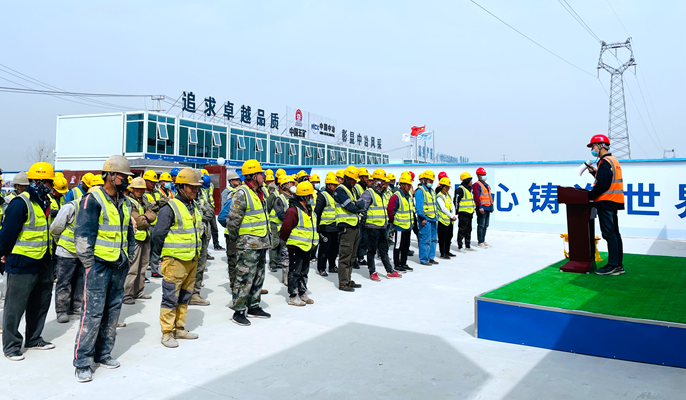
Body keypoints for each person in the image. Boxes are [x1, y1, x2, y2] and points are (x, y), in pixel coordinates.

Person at [73, 155, 135, 382]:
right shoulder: (93, 199)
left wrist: (129, 257)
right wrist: (89, 265)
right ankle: (82, 362)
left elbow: (129, 233)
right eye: (122, 176)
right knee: (92, 314)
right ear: (110, 175)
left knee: (112, 312)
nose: (126, 180)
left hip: (119, 265)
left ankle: (104, 354)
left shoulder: (125, 202)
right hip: (98, 266)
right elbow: (83, 236)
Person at [0, 162, 56, 362]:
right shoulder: (20, 203)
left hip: (43, 262)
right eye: (49, 182)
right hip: (22, 263)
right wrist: (2, 254)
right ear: (38, 181)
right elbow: (7, 233)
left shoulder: (45, 202)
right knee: (15, 307)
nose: (52, 186)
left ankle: (33, 338)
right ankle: (11, 346)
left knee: (40, 303)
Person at [150, 168, 203, 348]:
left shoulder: (193, 206)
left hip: (191, 259)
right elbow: (158, 234)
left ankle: (179, 328)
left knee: (184, 296)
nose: (194, 190)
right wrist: (162, 255)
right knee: (170, 297)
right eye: (190, 187)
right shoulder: (170, 208)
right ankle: (167, 332)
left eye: (196, 187)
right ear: (180, 187)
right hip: (174, 261)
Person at [225, 160, 271, 326]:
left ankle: (253, 306)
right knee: (244, 277)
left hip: (261, 242)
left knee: (258, 276)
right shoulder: (242, 193)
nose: (263, 176)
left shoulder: (259, 192)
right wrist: (237, 240)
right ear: (253, 176)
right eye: (260, 174)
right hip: (247, 245)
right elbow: (233, 221)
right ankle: (238, 310)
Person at [586, 134, 625, 276]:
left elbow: (603, 184)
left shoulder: (604, 162)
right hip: (614, 201)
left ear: (600, 146)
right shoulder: (613, 161)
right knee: (615, 234)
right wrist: (595, 174)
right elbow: (607, 180)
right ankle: (618, 265)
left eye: (593, 146)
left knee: (609, 234)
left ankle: (613, 265)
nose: (593, 150)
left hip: (606, 202)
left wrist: (590, 195)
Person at [279, 181, 318, 306]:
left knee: (304, 272)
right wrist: (288, 241)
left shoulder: (308, 210)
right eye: (310, 195)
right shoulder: (293, 210)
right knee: (295, 272)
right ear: (305, 197)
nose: (312, 197)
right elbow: (285, 228)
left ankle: (302, 292)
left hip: (307, 246)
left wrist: (313, 242)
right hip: (296, 246)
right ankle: (293, 295)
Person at [361, 169, 402, 281]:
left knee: (384, 250)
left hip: (383, 226)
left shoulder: (383, 194)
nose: (384, 184)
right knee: (371, 250)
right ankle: (372, 272)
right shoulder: (369, 193)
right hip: (372, 227)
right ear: (375, 181)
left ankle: (390, 271)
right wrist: (365, 222)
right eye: (382, 181)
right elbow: (362, 209)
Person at [50, 192, 85, 323]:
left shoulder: (94, 208)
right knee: (64, 282)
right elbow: (55, 228)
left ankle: (76, 306)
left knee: (80, 281)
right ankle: (62, 310)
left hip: (82, 252)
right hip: (66, 251)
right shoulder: (71, 207)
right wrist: (58, 240)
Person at [122, 177, 156, 305]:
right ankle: (127, 294)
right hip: (135, 238)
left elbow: (153, 215)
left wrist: (145, 217)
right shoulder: (128, 202)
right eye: (137, 189)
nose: (140, 191)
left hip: (145, 237)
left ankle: (139, 291)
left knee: (143, 266)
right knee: (133, 267)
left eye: (141, 189)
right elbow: (139, 222)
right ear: (132, 189)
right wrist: (147, 218)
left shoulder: (143, 200)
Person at [333, 166, 366, 292]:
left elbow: (361, 204)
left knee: (352, 256)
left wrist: (356, 204)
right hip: (346, 226)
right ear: (347, 178)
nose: (355, 182)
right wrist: (356, 205)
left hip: (354, 225)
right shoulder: (340, 190)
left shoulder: (351, 190)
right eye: (353, 180)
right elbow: (351, 207)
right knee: (345, 256)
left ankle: (348, 279)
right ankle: (343, 282)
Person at [189, 174, 215, 306]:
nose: (196, 189)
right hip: (190, 237)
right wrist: (201, 213)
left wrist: (200, 213)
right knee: (189, 267)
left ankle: (195, 293)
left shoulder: (203, 194)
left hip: (203, 234)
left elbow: (210, 212)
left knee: (200, 266)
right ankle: (186, 293)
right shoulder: (182, 200)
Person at [268, 174, 294, 280]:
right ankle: (275, 266)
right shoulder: (279, 199)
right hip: (280, 226)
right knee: (279, 247)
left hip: (291, 228)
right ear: (284, 186)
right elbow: (280, 214)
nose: (292, 185)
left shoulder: (294, 197)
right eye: (290, 183)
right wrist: (292, 220)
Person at [218, 170, 242, 285]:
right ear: (230, 181)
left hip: (241, 234)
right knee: (233, 261)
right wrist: (230, 225)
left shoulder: (239, 192)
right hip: (231, 233)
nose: (238, 181)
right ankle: (234, 284)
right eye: (235, 180)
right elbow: (223, 215)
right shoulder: (229, 193)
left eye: (238, 179)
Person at [387, 172, 414, 272]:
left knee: (405, 246)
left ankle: (404, 263)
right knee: (398, 245)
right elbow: (390, 211)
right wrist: (394, 221)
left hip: (408, 225)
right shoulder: (396, 196)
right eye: (407, 185)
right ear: (402, 185)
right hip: (399, 226)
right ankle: (397, 264)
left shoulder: (409, 196)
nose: (409, 187)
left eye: (410, 185)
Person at [314, 172, 339, 276]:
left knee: (334, 249)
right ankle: (321, 268)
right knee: (324, 249)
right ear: (328, 185)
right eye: (334, 185)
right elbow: (317, 212)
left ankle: (332, 266)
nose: (336, 187)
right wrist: (317, 227)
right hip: (325, 227)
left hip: (335, 226)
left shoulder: (335, 195)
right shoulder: (323, 196)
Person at [415, 171, 439, 265]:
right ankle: (424, 259)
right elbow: (419, 206)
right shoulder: (420, 191)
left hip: (433, 218)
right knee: (425, 240)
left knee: (433, 240)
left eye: (432, 181)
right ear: (424, 180)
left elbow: (434, 204)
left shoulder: (432, 191)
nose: (431, 182)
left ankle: (431, 257)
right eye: (429, 180)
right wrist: (422, 218)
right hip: (425, 219)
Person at [201, 169, 223, 251]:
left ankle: (216, 244)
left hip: (210, 208)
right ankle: (204, 250)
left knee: (214, 227)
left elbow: (210, 195)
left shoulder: (210, 185)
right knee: (205, 230)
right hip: (203, 210)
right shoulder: (199, 188)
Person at [436, 177, 457, 259]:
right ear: (442, 187)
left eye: (448, 187)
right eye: (446, 187)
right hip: (443, 220)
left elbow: (452, 205)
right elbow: (443, 208)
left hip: (450, 221)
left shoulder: (448, 196)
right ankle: (443, 253)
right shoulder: (439, 196)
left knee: (449, 236)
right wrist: (451, 216)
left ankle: (447, 251)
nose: (447, 188)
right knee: (442, 238)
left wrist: (453, 215)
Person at [454, 172, 475, 252]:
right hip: (463, 213)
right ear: (466, 181)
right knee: (462, 230)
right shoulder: (460, 189)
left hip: (469, 212)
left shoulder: (469, 189)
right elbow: (456, 201)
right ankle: (460, 246)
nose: (471, 182)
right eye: (470, 180)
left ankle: (467, 245)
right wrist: (457, 211)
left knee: (468, 230)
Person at [354, 167, 371, 267]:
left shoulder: (366, 188)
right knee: (358, 239)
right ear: (360, 177)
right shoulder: (356, 188)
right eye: (365, 177)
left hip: (365, 217)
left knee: (364, 239)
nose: (367, 178)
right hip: (359, 216)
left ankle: (361, 257)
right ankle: (354, 259)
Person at [473, 168, 493, 248]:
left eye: (485, 175)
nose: (484, 176)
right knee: (481, 225)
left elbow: (489, 197)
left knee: (486, 225)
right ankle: (480, 242)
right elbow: (476, 197)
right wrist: (479, 207)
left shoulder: (487, 185)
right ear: (478, 176)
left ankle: (483, 240)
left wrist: (491, 207)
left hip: (488, 207)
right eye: (482, 175)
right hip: (482, 208)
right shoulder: (477, 185)